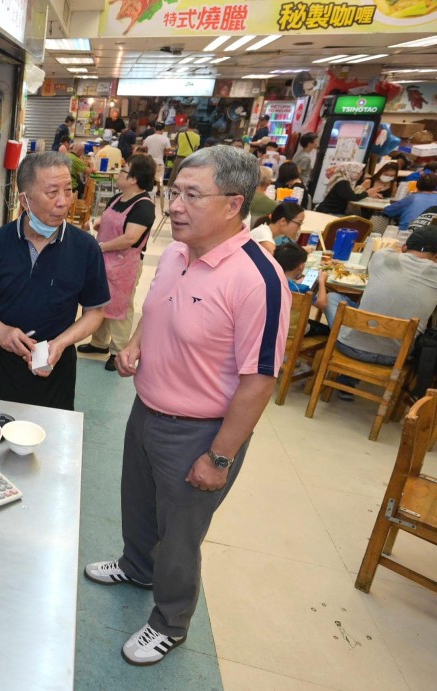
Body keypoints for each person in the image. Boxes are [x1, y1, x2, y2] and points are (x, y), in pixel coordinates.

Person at [85, 145, 289, 666]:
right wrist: (135, 346)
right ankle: (136, 565)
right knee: (136, 502)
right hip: (148, 409)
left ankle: (170, 620)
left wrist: (218, 457)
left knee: (180, 536)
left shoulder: (258, 279)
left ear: (233, 205)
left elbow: (259, 382)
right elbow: (159, 311)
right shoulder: (177, 252)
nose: (174, 206)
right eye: (173, 192)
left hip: (199, 432)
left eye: (191, 195)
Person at [0, 152, 110, 410]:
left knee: (48, 445)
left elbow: (95, 312)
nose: (63, 202)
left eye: (68, 190)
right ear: (25, 200)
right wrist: (0, 331)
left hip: (55, 373)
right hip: (0, 370)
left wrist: (61, 343)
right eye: (52, 192)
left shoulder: (85, 248)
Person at [325, 226, 437, 398]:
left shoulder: (381, 258)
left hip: (348, 347)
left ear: (405, 247)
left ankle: (347, 377)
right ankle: (349, 381)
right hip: (396, 358)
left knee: (333, 298)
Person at [77, 154, 156, 367]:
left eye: (124, 170)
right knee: (99, 300)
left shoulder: (144, 206)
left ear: (134, 178)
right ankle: (99, 342)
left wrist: (100, 246)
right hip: (104, 259)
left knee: (121, 307)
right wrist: (95, 224)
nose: (119, 173)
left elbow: (130, 238)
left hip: (125, 264)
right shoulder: (118, 198)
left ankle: (118, 350)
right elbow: (109, 219)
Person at [274, 243, 330, 338]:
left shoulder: (268, 280)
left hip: (270, 327)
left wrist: (295, 282)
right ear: (301, 266)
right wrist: (321, 282)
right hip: (291, 331)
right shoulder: (302, 289)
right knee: (329, 330)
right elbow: (322, 304)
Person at [316, 162, 380, 215]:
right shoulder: (343, 182)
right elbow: (353, 198)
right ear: (351, 172)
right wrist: (367, 193)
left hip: (332, 210)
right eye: (358, 172)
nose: (361, 174)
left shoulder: (343, 180)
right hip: (330, 212)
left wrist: (368, 195)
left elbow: (349, 195)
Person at [143, 122, 170, 192]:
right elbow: (168, 150)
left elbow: (144, 148)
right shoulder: (165, 139)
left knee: (147, 178)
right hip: (159, 162)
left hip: (149, 162)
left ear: (155, 129)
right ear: (163, 130)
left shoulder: (148, 138)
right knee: (160, 179)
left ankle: (145, 192)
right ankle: (159, 192)